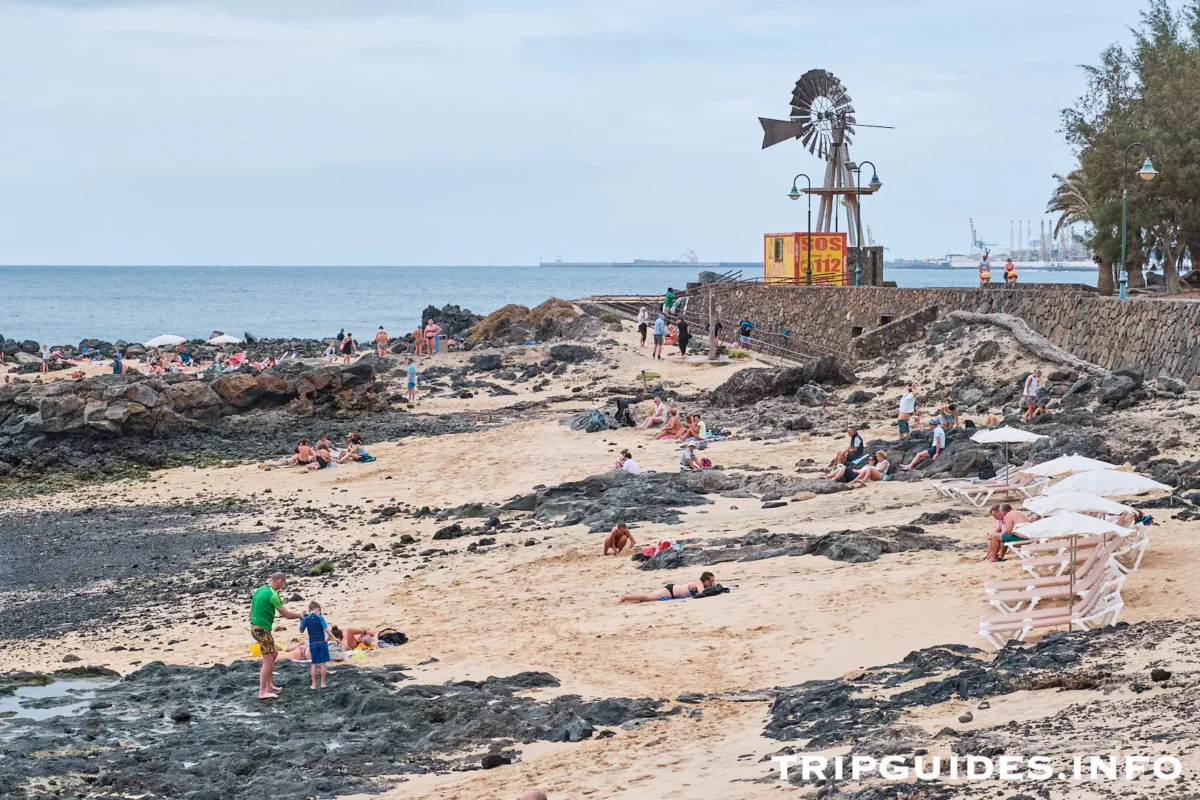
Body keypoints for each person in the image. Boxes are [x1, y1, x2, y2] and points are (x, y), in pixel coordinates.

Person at [250, 572, 301, 699]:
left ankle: (269, 685)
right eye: (283, 583)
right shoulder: (273, 594)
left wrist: (252, 622)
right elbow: (287, 614)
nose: (283, 586)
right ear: (279, 581)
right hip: (261, 629)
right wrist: (300, 615)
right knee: (267, 660)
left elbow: (251, 608)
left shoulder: (260, 589)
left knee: (274, 654)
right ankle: (262, 691)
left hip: (258, 627)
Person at [621, 571, 715, 603]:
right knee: (648, 597)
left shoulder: (699, 583)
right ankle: (627, 597)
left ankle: (630, 596)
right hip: (671, 591)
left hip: (673, 590)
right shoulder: (699, 582)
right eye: (710, 581)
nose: (712, 583)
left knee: (649, 595)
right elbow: (703, 592)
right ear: (705, 580)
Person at [299, 601, 331, 690]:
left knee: (314, 664)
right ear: (318, 610)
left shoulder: (306, 619)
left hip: (312, 643)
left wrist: (301, 620)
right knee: (322, 664)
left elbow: (301, 630)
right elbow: (326, 629)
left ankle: (313, 684)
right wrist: (334, 638)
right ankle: (323, 683)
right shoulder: (320, 617)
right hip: (321, 642)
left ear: (309, 610)